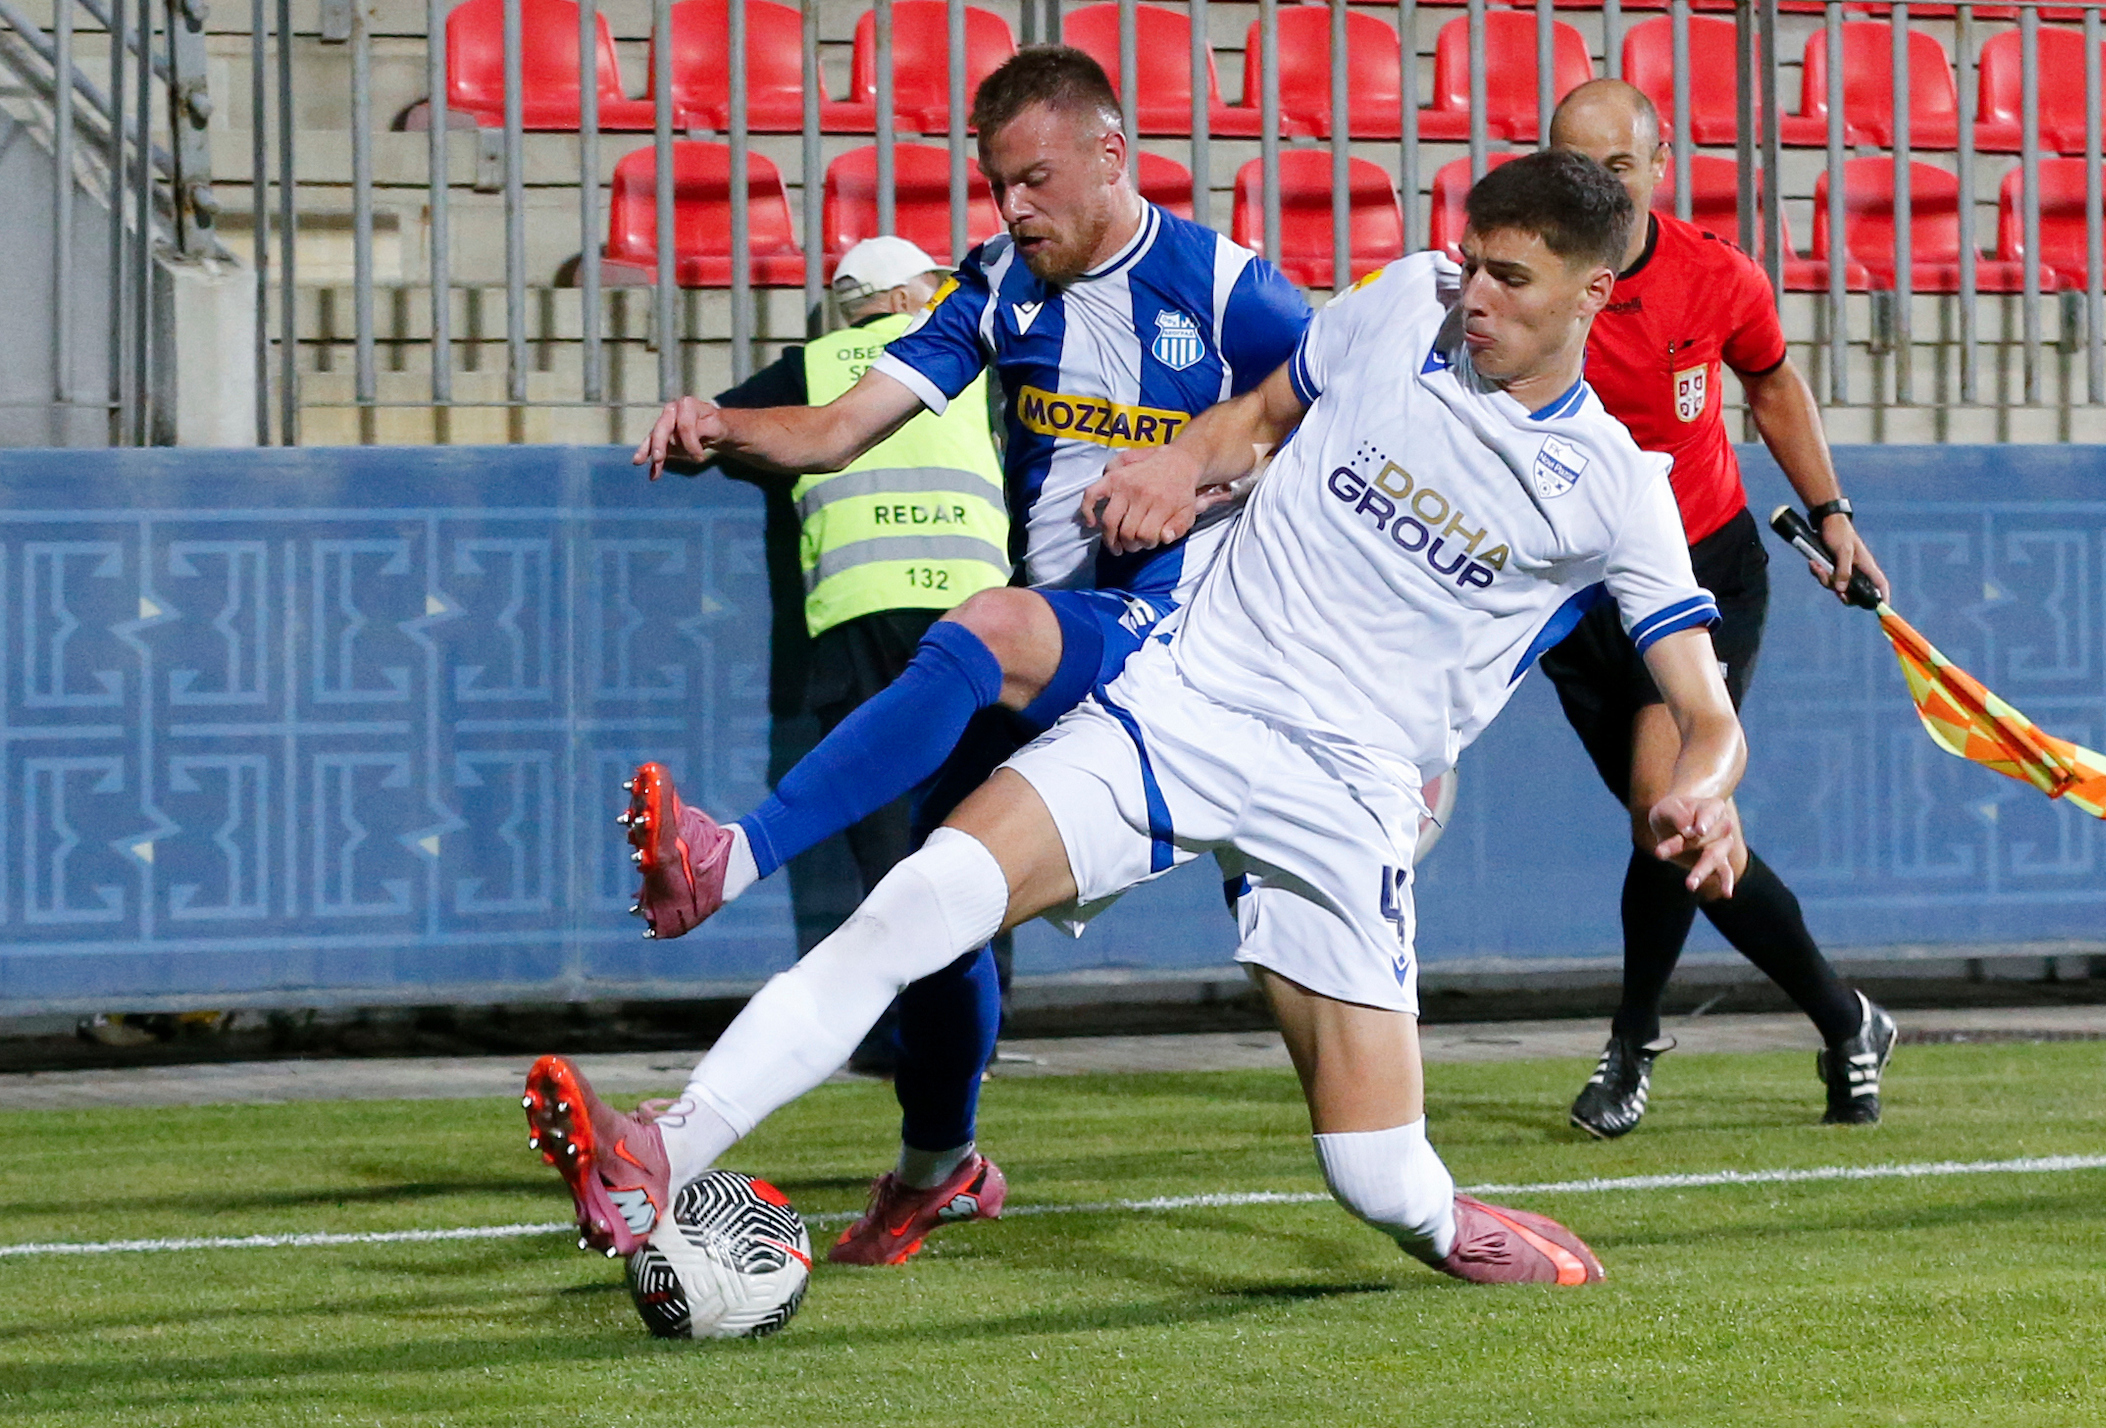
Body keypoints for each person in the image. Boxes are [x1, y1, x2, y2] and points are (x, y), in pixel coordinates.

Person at [527, 150, 1739, 1286]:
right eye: (1470, 258)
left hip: (1352, 787)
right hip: (1195, 694)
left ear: (1595, 289)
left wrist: (1703, 788)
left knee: (1375, 1181)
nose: (1472, 291)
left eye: (1510, 277)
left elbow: (1701, 706)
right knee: (916, 903)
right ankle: (661, 1156)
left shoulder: (1617, 490)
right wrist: (1186, 465)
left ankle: (1458, 1223)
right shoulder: (1401, 303)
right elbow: (1263, 412)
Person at [616, 47, 1312, 1265]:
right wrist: (723, 426)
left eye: (1034, 180)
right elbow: (835, 430)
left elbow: (1336, 421)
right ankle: (938, 1168)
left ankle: (731, 860)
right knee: (927, 897)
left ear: (1112, 155)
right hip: (1065, 640)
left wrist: (1205, 464)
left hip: (1187, 640)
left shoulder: (1232, 291)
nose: (1013, 210)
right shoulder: (997, 287)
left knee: (982, 621)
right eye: (996, 186)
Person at [1542, 80, 1898, 1138]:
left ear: (1659, 163)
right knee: (1672, 829)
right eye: (1573, 164)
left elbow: (1775, 386)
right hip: (1567, 596)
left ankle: (1633, 1043)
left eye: (1616, 166)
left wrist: (1833, 514)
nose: (1594, 186)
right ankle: (1848, 1020)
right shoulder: (1518, 281)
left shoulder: (1715, 278)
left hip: (1697, 580)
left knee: (1671, 812)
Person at [695, 235, 1009, 1075]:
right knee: (982, 822)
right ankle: (976, 1029)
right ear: (906, 295)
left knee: (881, 830)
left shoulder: (814, 365)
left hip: (860, 614)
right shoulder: (968, 359)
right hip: (975, 615)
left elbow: (722, 432)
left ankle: (895, 1030)